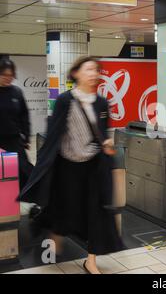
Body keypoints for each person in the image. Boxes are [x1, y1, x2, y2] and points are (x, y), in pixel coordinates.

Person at [18, 56, 123, 274]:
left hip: (93, 167)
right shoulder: (65, 100)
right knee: (63, 208)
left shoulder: (102, 103)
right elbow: (55, 134)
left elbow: (103, 133)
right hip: (67, 167)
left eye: (96, 70)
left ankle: (91, 260)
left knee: (95, 212)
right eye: (89, 69)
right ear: (76, 73)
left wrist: (107, 144)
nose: (93, 73)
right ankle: (55, 235)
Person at [0, 59, 33, 189]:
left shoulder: (16, 92)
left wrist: (26, 137)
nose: (8, 78)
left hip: (14, 139)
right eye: (4, 75)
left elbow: (24, 115)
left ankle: (27, 196)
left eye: (11, 75)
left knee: (23, 169)